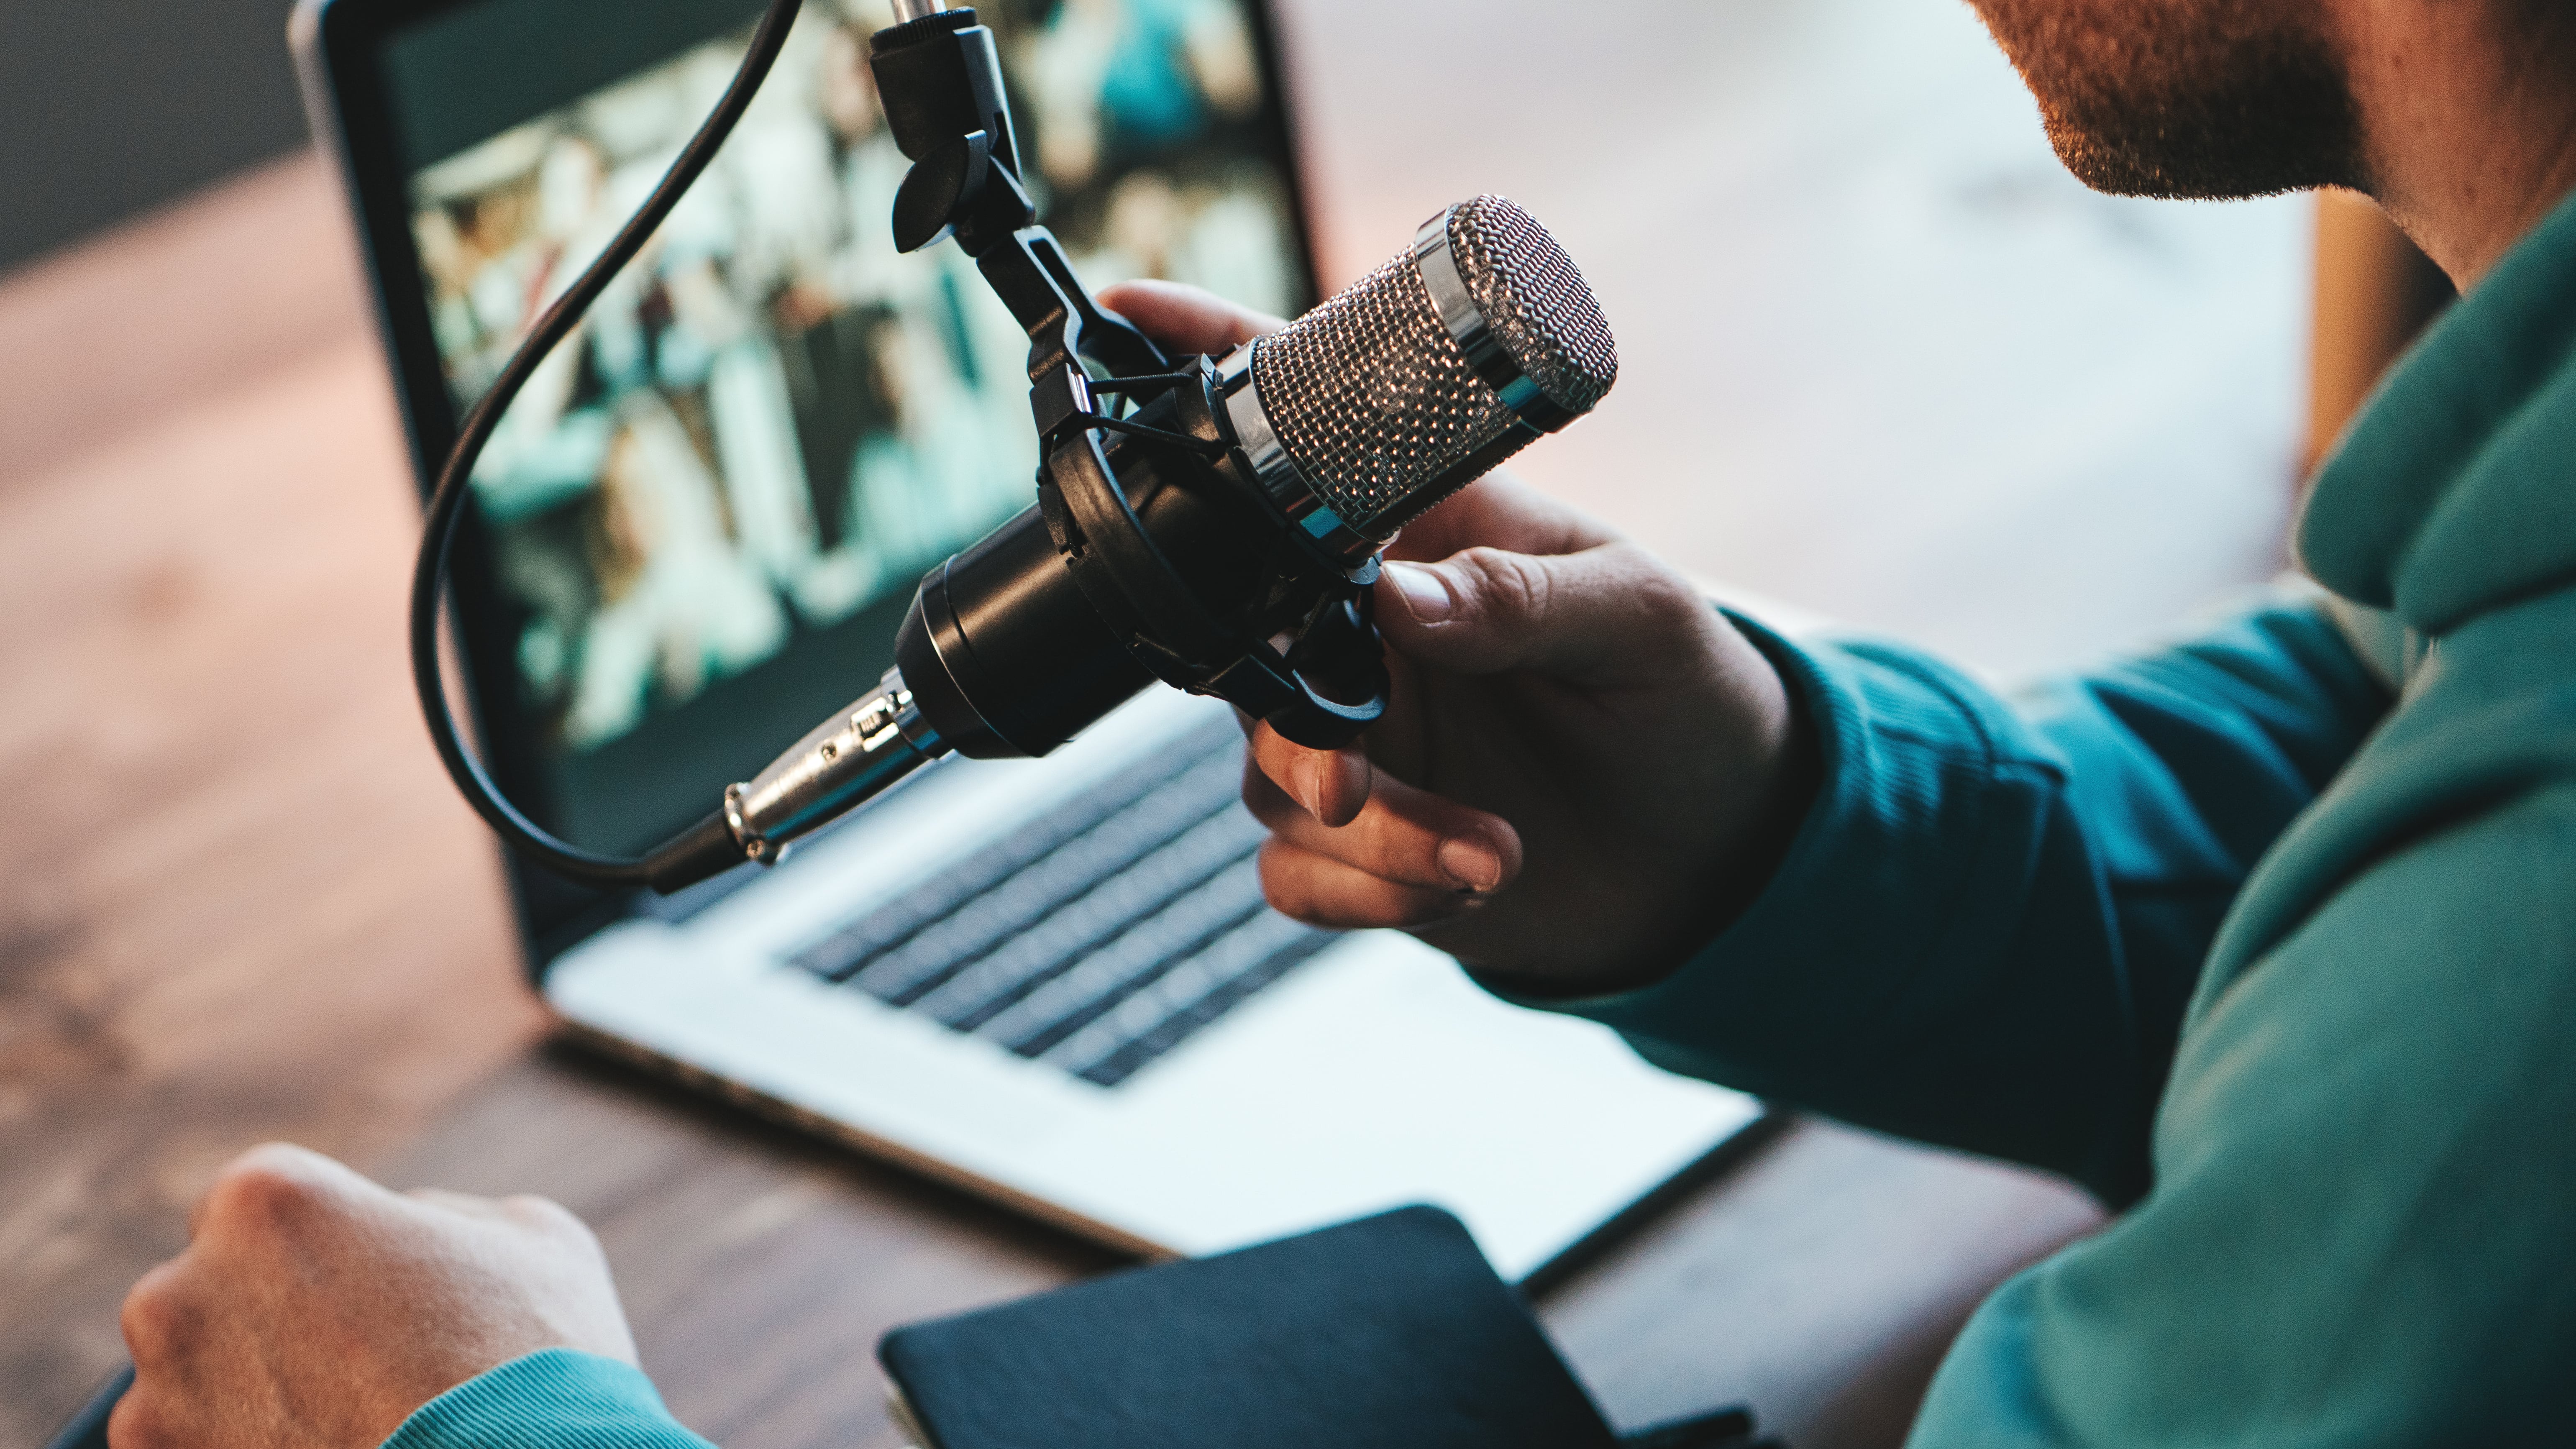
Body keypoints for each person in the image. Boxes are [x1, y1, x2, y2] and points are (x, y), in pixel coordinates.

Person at [109, 0, 2576, 1443]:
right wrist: (1794, 831)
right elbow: (2364, 758)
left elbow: (2447, 1011)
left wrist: (498, 1426)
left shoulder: (2513, 1000)